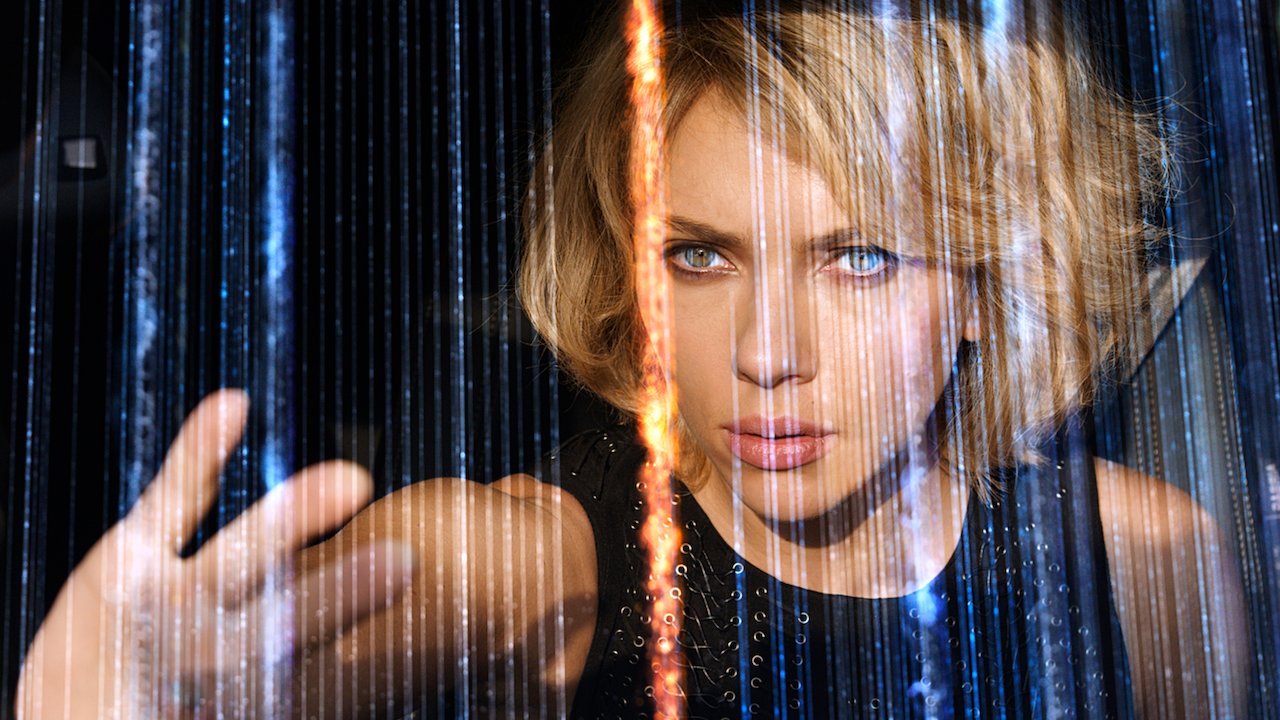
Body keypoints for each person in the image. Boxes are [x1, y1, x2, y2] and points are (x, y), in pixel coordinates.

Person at [15, 2, 1249, 718]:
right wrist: (166, 689)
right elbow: (428, 577)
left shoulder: (1141, 557)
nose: (766, 354)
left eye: (860, 258)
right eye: (698, 257)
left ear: (986, 282)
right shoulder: (556, 559)